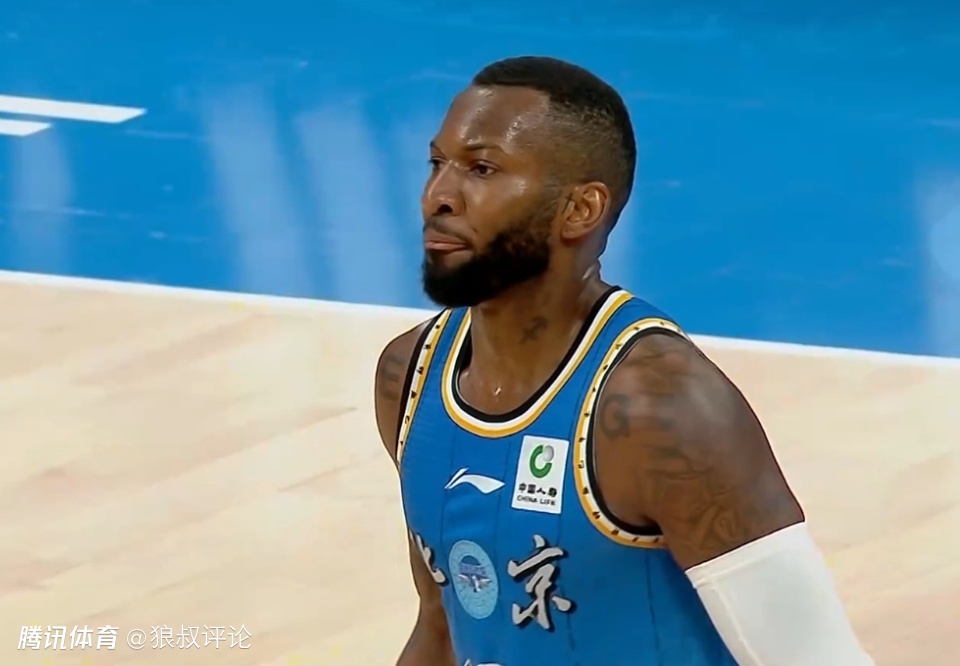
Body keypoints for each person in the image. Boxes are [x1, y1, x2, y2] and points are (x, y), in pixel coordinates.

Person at [374, 55, 874, 666]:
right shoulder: (410, 376)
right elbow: (441, 630)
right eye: (437, 163)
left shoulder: (662, 412)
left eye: (482, 169)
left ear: (580, 210)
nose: (438, 196)